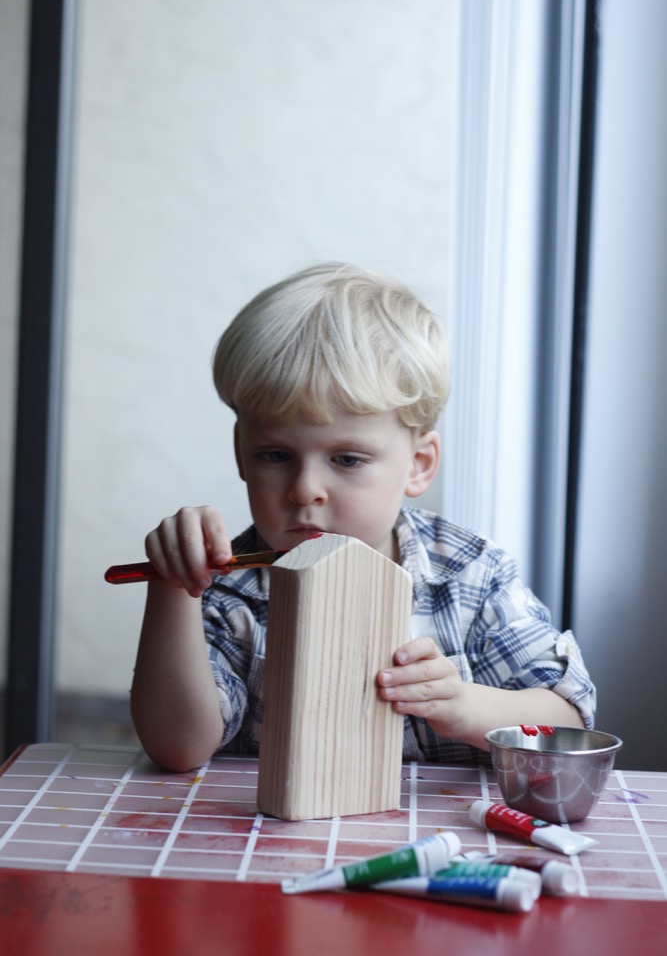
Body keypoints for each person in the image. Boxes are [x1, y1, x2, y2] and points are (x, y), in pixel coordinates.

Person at [130, 262, 596, 772]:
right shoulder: (228, 587)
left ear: (418, 465)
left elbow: (567, 722)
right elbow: (179, 748)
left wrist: (465, 707)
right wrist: (174, 587)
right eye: (275, 455)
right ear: (241, 453)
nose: (305, 489)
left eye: (347, 459)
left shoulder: (469, 575)